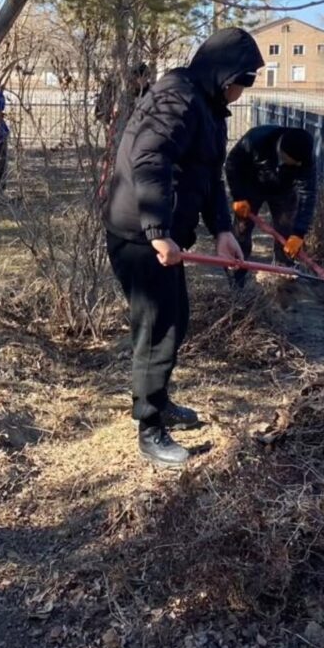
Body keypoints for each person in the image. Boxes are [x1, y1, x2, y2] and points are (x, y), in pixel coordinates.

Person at [103, 28, 264, 467]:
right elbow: (150, 160)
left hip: (163, 236)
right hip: (140, 236)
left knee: (175, 319)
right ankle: (150, 427)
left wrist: (224, 231)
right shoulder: (176, 99)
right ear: (223, 73)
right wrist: (157, 229)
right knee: (157, 328)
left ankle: (160, 399)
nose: (241, 92)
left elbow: (208, 176)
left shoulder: (206, 106)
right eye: (243, 81)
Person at [225, 125, 316, 277]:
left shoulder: (304, 157)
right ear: (283, 153)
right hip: (251, 186)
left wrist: (299, 233)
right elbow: (232, 164)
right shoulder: (257, 139)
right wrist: (239, 196)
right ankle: (236, 274)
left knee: (287, 235)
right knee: (241, 230)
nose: (299, 166)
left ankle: (284, 275)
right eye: (295, 162)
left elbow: (308, 193)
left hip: (283, 191)